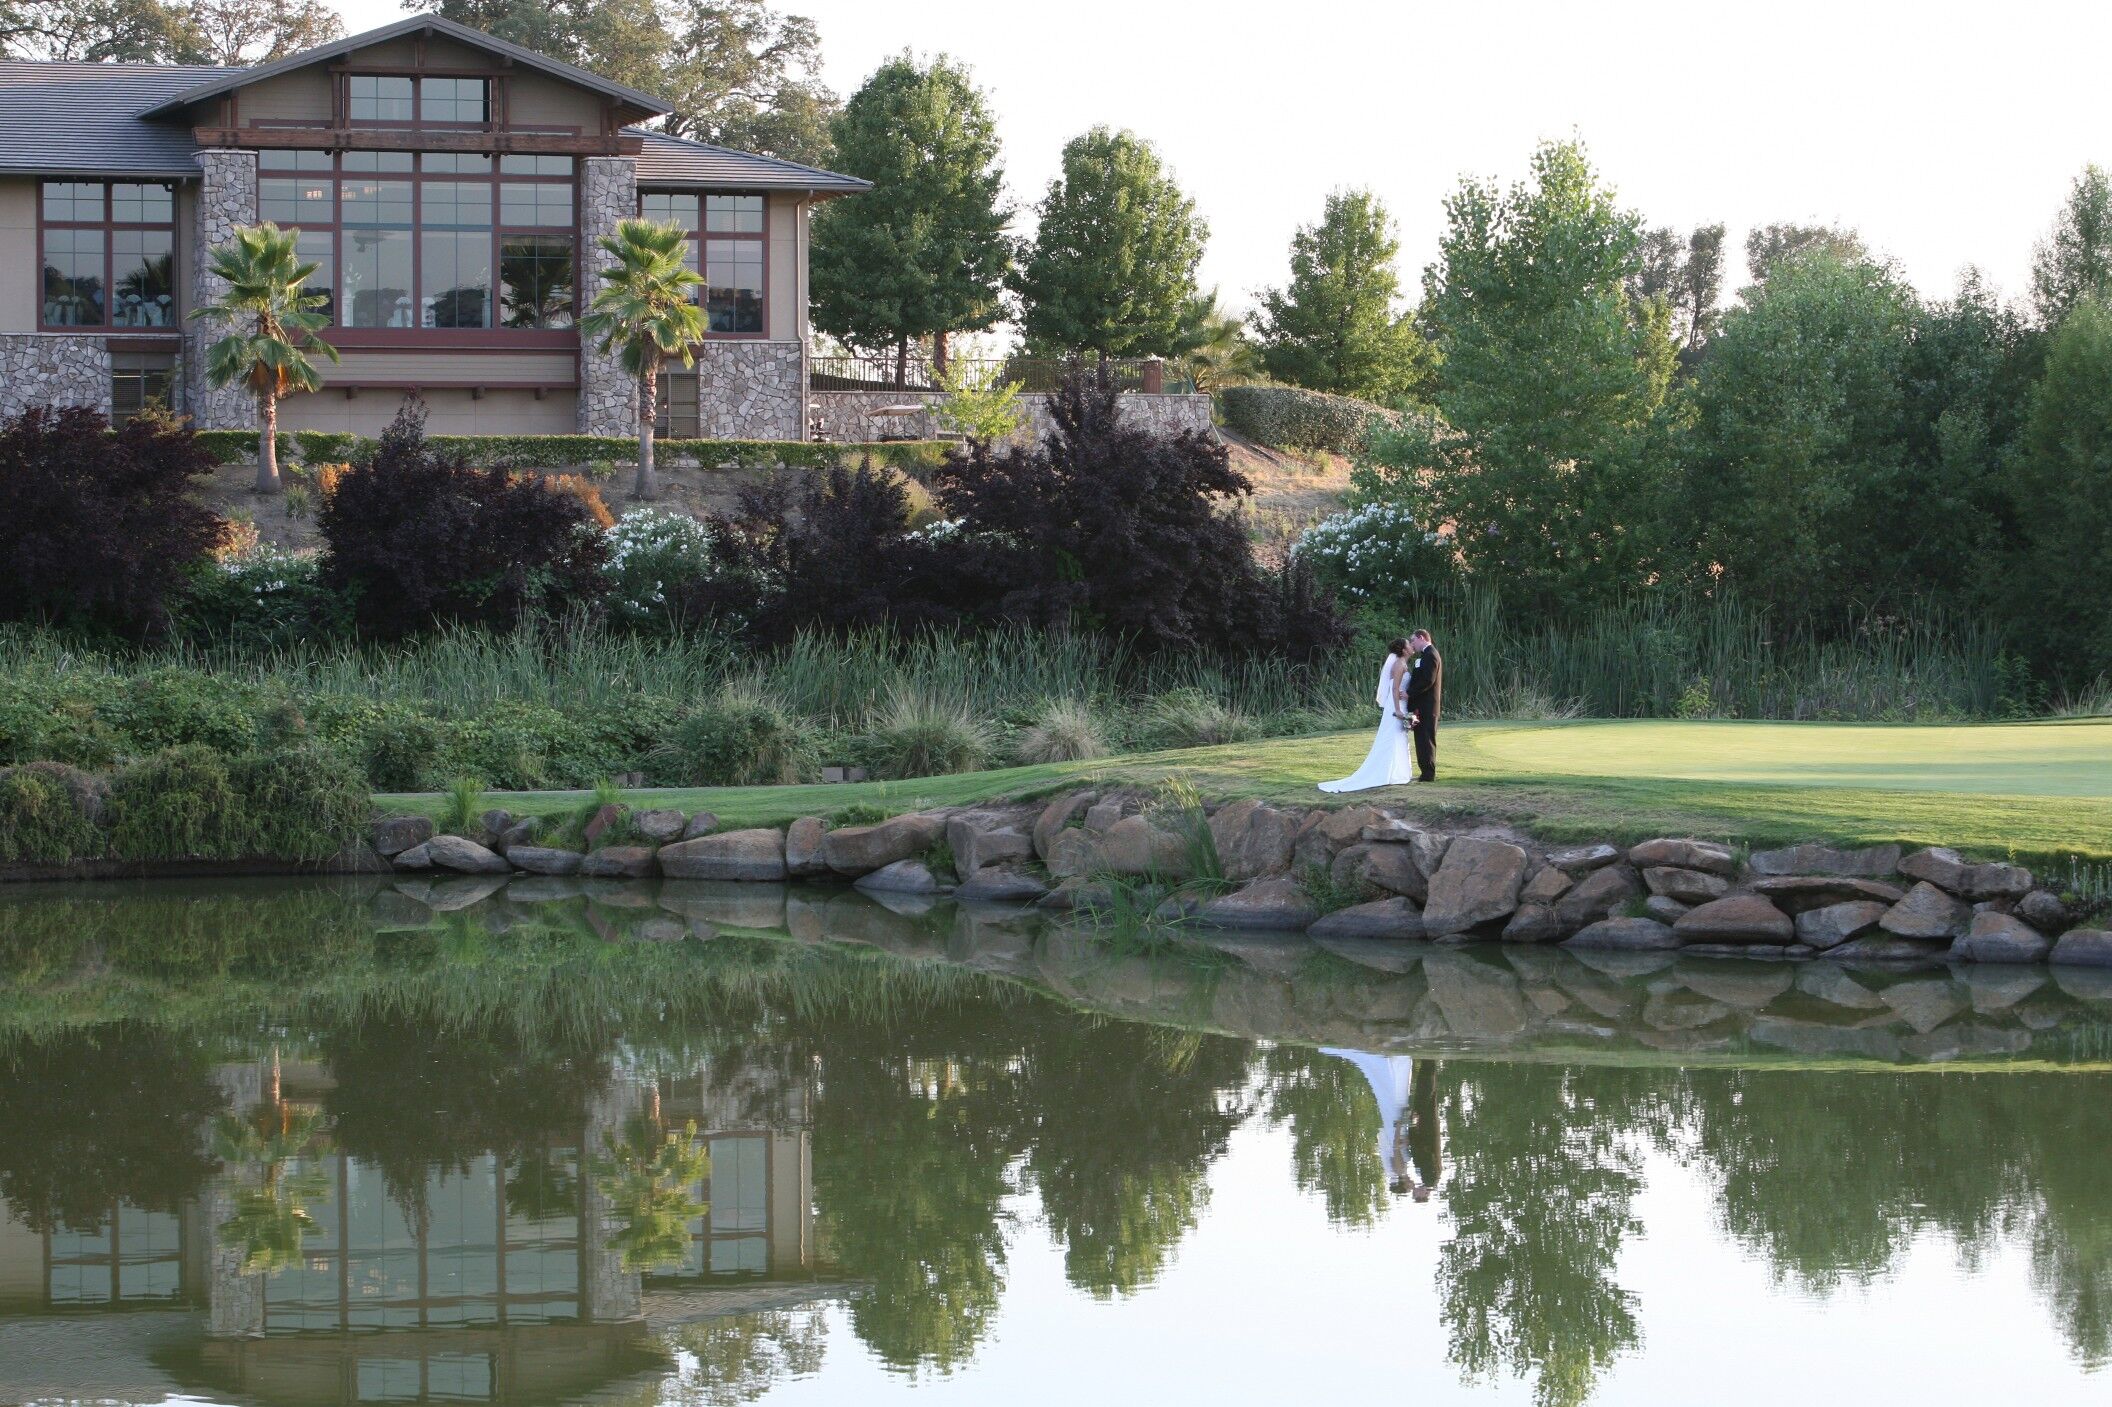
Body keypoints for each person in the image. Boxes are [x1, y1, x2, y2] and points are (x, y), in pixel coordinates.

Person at [1317, 638, 1417, 793]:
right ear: (1404, 650)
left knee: (1399, 736)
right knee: (1392, 736)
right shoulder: (1399, 664)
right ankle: (1388, 773)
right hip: (1396, 706)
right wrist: (1397, 709)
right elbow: (1395, 688)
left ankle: (1398, 773)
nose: (1412, 646)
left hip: (1401, 704)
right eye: (1409, 645)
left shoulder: (1403, 664)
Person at [1402, 628, 1442, 783]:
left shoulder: (1431, 654)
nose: (1412, 644)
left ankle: (1428, 774)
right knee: (1421, 739)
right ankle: (1425, 772)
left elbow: (1428, 680)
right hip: (1422, 706)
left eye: (1413, 641)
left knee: (1426, 739)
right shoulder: (1426, 655)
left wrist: (1409, 693)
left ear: (1421, 638)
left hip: (1427, 707)